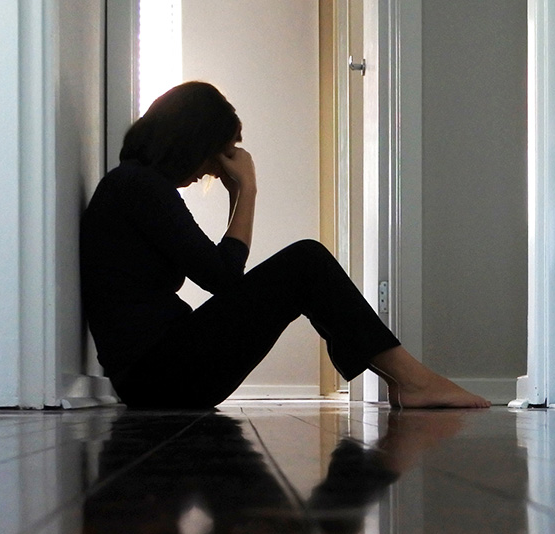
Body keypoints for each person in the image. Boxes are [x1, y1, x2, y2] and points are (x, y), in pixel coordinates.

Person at [80, 81, 490, 410]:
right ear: (192, 142)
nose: (211, 169)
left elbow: (219, 274)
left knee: (305, 264)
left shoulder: (133, 186)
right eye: (215, 155)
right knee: (305, 262)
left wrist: (241, 192)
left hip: (158, 374)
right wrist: (247, 190)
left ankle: (404, 378)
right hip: (158, 377)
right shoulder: (138, 186)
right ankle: (410, 379)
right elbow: (222, 276)